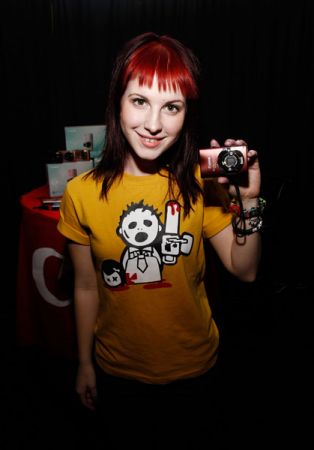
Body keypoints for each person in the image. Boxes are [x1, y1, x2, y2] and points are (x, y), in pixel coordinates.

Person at [57, 32, 262, 449]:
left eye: (172, 107)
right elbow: (84, 286)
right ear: (117, 100)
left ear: (187, 114)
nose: (153, 124)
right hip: (118, 373)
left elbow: (245, 270)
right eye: (139, 101)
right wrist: (83, 363)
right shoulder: (81, 194)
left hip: (195, 371)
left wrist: (250, 201)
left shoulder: (198, 186)